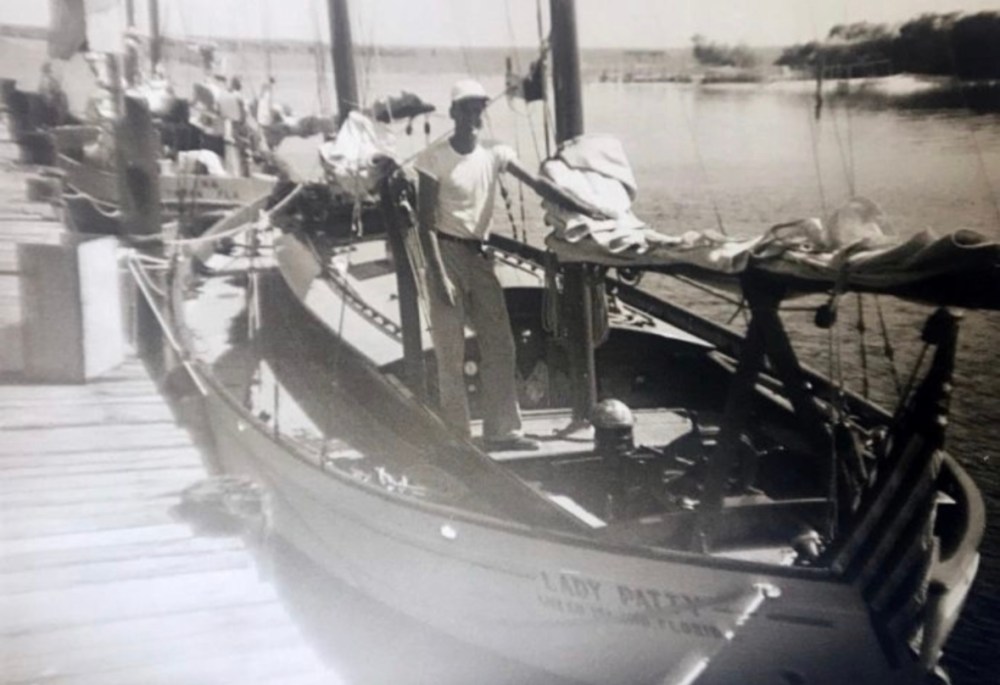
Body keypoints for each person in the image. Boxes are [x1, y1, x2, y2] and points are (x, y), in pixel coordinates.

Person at [414, 78, 604, 451]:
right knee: (450, 352)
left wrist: (584, 207)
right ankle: (457, 437)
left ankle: (502, 431)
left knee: (501, 346)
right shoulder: (433, 159)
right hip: (445, 254)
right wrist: (437, 276)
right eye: (466, 108)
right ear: (453, 112)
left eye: (478, 108)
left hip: (480, 256)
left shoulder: (495, 153)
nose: (473, 115)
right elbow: (424, 224)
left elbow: (538, 185)